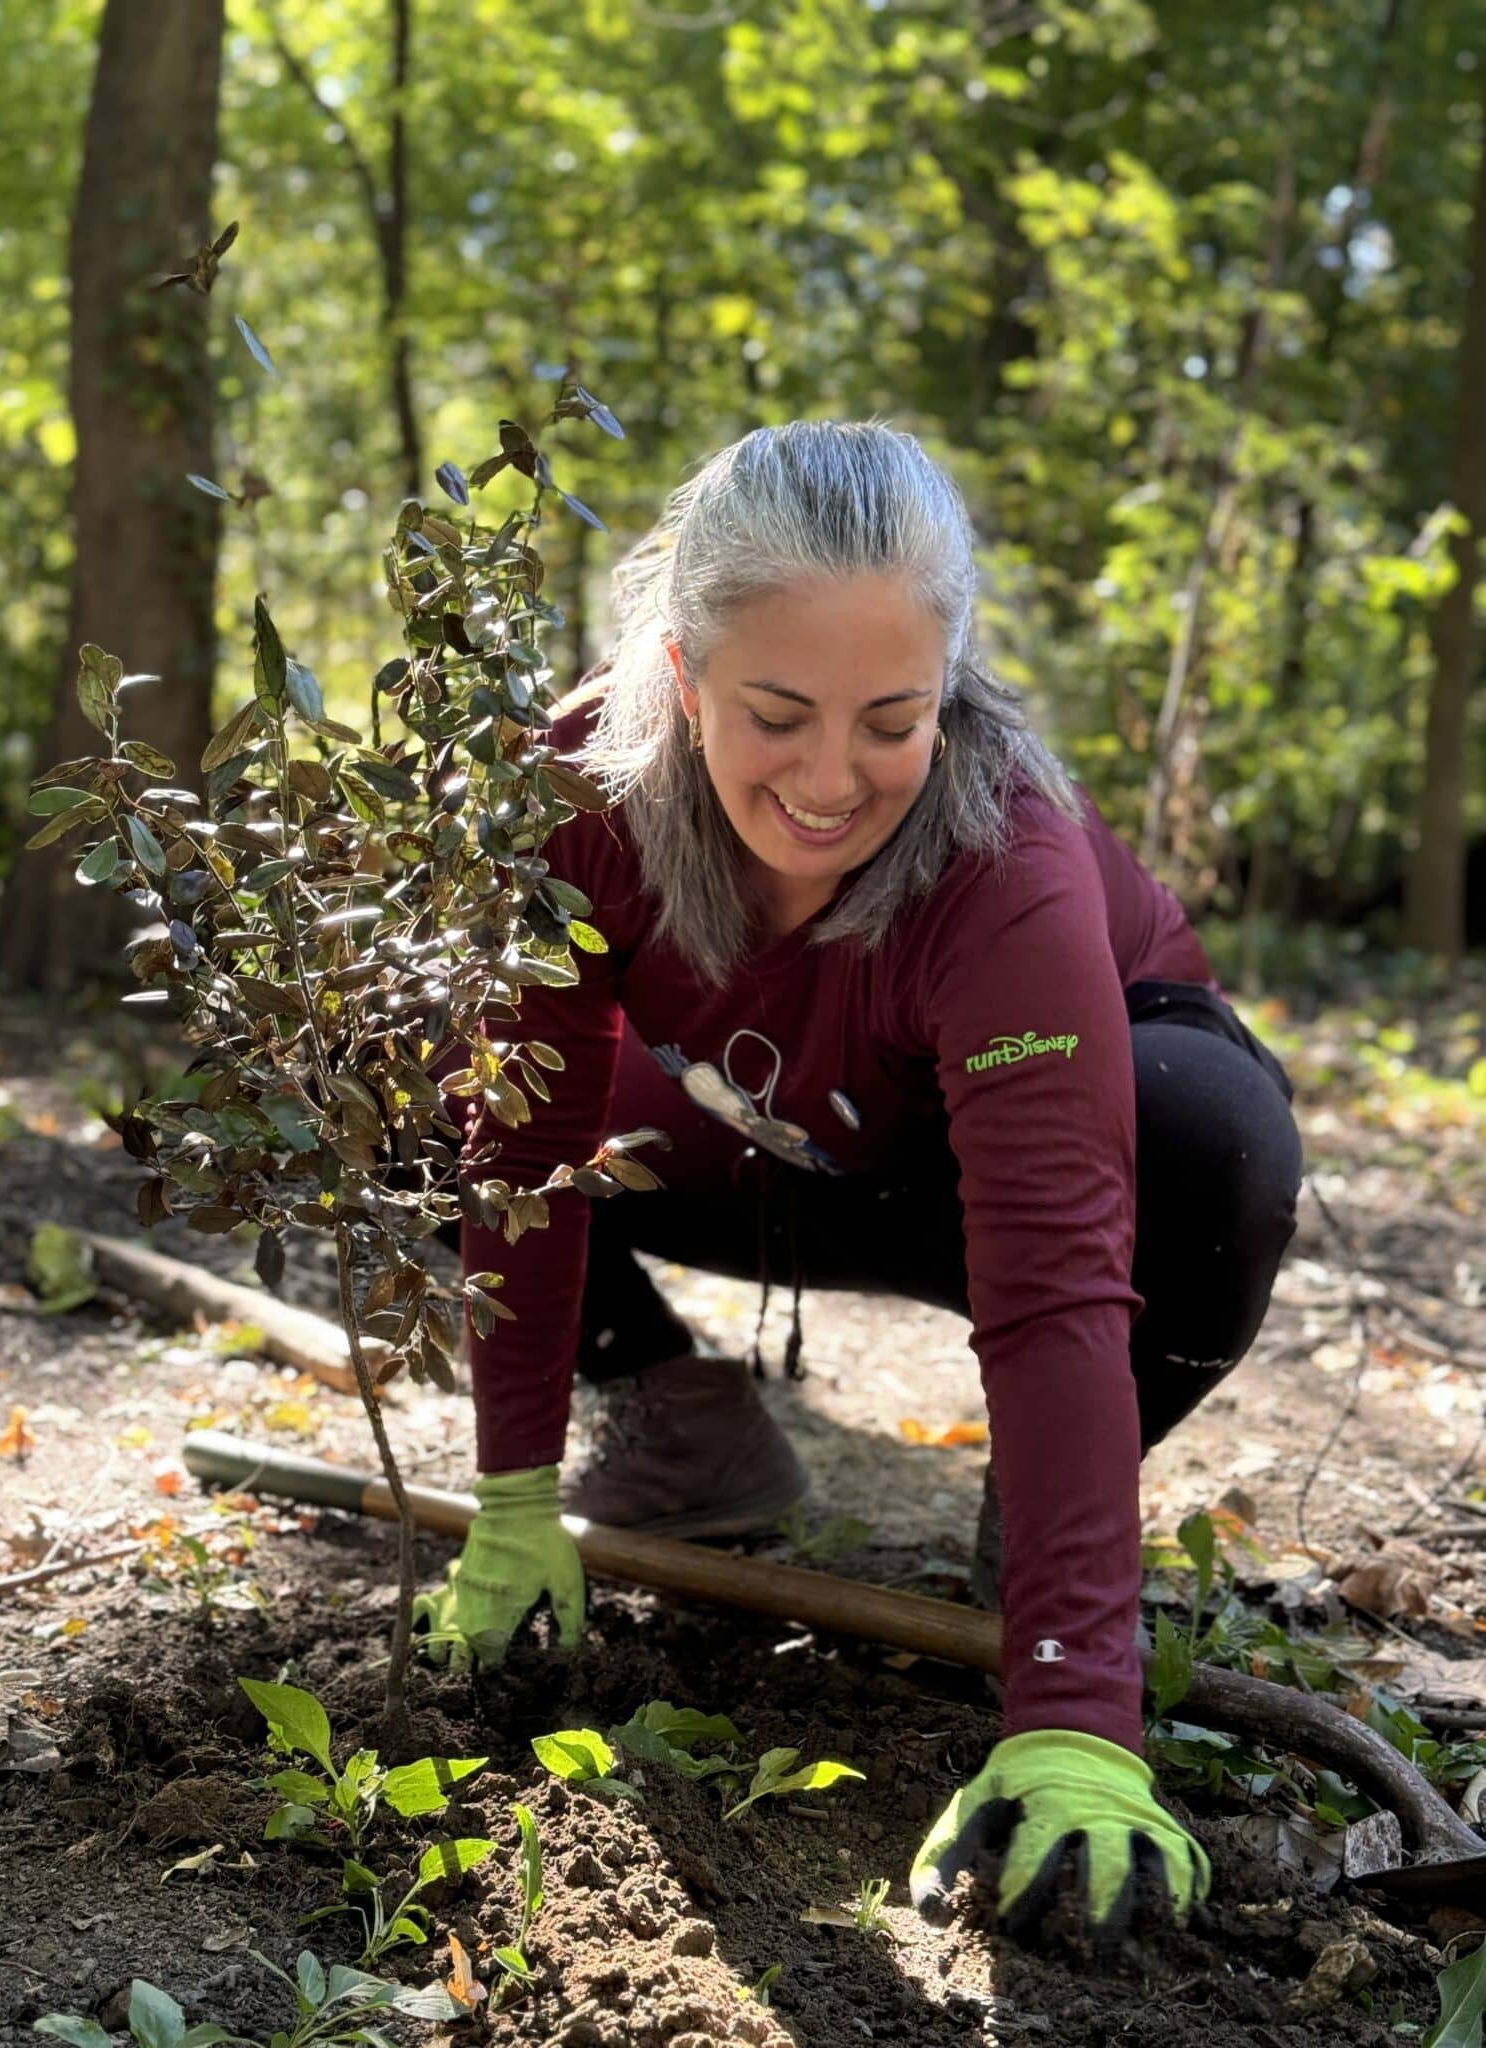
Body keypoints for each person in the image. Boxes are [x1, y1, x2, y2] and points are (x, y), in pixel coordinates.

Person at [414, 420, 1303, 1945]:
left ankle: (1048, 1517)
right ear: (685, 674)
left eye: (892, 717)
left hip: (1071, 1148)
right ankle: (688, 1432)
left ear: (947, 687)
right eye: (778, 713)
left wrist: (1079, 1711)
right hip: (797, 1130)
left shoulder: (1002, 855)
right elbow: (529, 1146)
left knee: (1210, 1132)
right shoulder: (578, 792)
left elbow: (1060, 1274)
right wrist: (509, 1497)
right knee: (437, 1077)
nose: (832, 781)